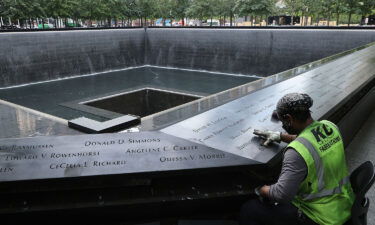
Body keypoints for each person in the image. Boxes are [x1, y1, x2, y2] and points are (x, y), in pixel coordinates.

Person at [240, 93, 354, 225]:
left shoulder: (295, 152)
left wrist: (260, 189)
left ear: (289, 118)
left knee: (249, 210)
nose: (283, 124)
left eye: (283, 121)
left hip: (321, 217)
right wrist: (280, 136)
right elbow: (311, 139)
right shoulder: (329, 126)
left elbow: (281, 195)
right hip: (344, 204)